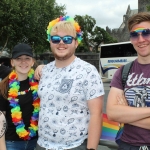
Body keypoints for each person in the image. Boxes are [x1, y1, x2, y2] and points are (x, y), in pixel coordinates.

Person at [35, 16, 104, 150]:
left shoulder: (88, 71)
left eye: (67, 39)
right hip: (42, 145)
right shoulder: (45, 70)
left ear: (76, 42)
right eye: (56, 39)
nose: (61, 43)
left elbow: (97, 114)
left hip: (74, 146)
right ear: (50, 42)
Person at [106, 12, 150, 149]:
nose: (141, 39)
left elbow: (119, 115)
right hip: (127, 145)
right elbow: (112, 113)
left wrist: (126, 113)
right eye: (134, 35)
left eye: (146, 33)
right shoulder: (123, 71)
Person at [0, 43, 40, 150]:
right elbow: (1, 120)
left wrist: (42, 67)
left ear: (32, 62)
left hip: (36, 142)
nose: (23, 62)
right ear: (12, 62)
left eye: (27, 58)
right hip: (11, 143)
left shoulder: (40, 83)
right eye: (18, 58)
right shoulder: (4, 86)